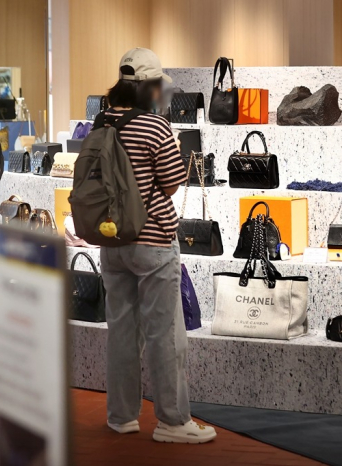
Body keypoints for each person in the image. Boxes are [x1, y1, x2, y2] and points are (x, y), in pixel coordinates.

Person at [99, 47, 217, 444]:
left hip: (112, 240)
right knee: (164, 334)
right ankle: (171, 420)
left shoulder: (101, 121)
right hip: (152, 241)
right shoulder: (155, 126)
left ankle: (121, 416)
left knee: (120, 331)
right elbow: (170, 183)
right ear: (151, 86)